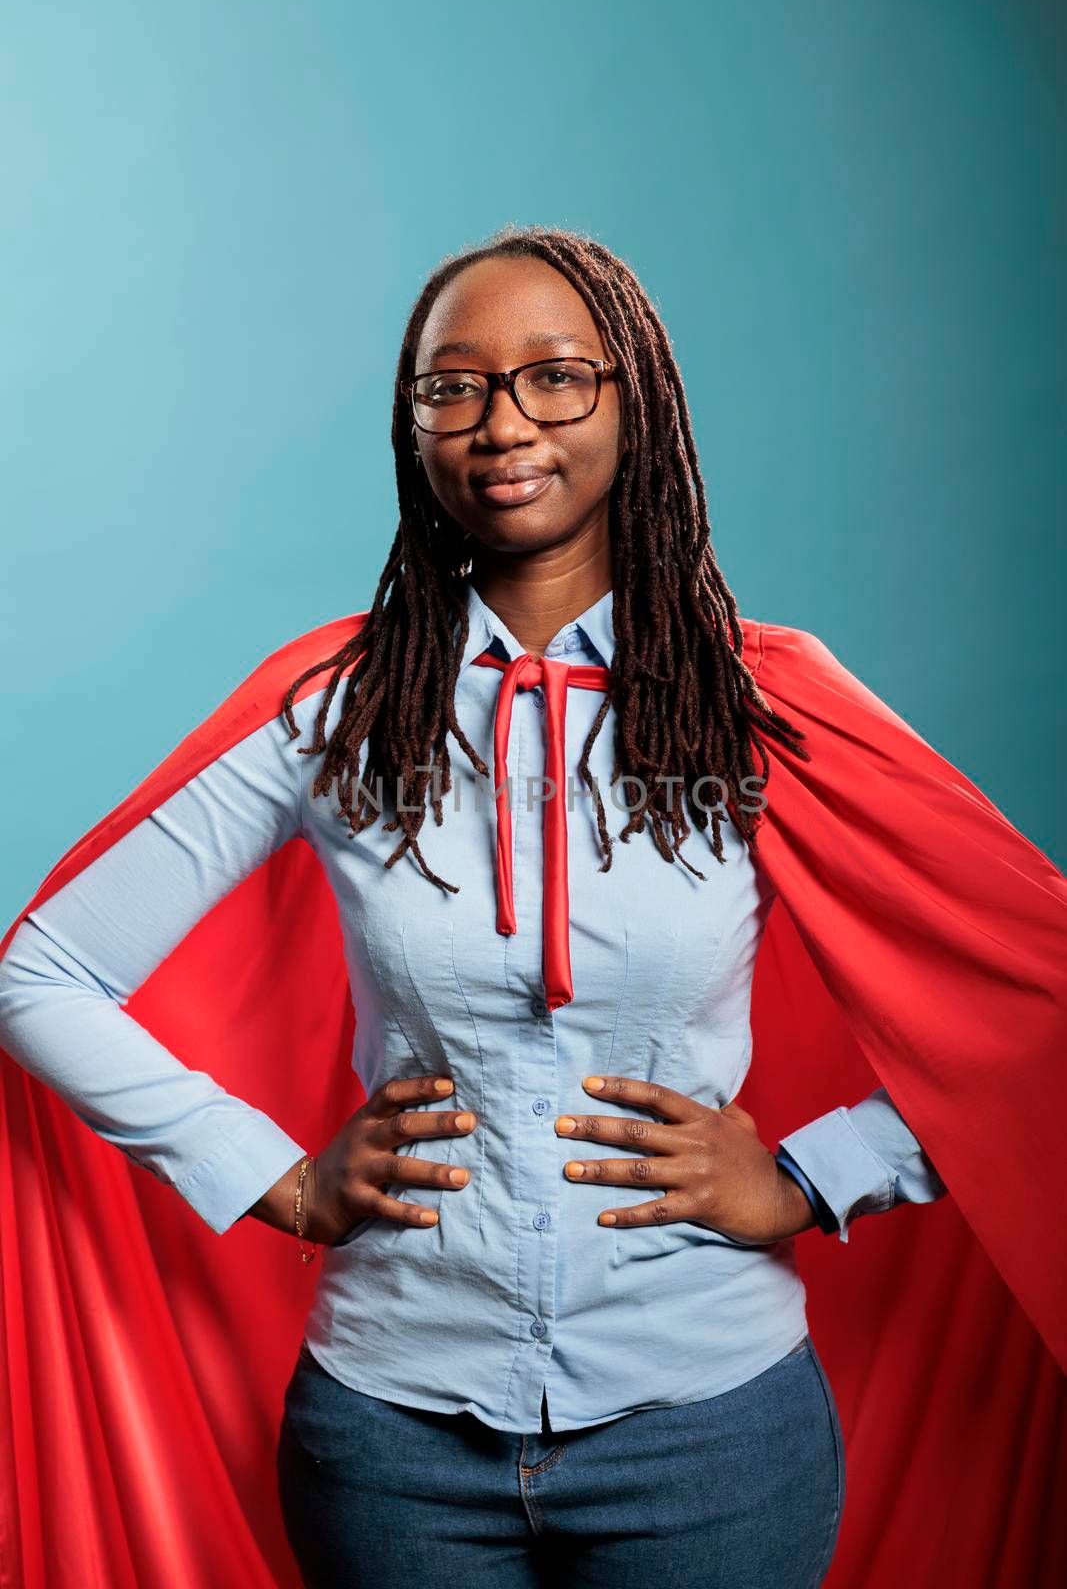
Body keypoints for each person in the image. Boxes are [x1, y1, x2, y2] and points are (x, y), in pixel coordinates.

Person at [1, 225, 1064, 1589]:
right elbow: (42, 973)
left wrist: (813, 1177)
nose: (502, 423)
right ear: (415, 423)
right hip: (388, 1444)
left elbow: (1041, 998)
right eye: (454, 385)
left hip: (712, 1439)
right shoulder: (333, 706)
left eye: (556, 377)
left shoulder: (760, 706)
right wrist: (274, 1175)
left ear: (639, 406)